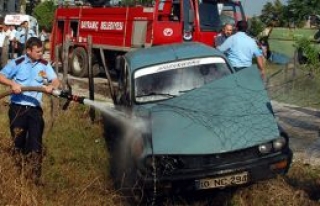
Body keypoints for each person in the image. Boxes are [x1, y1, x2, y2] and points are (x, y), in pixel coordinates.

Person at [0, 37, 60, 185]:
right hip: (17, 109)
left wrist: (51, 86)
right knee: (18, 142)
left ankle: (34, 178)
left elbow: (55, 80)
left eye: (42, 51)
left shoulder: (44, 65)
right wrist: (12, 83)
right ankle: (16, 175)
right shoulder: (17, 63)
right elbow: (1, 76)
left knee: (35, 144)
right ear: (28, 51)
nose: (41, 54)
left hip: (34, 110)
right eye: (38, 51)